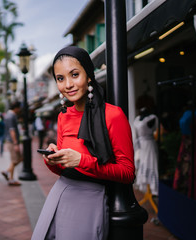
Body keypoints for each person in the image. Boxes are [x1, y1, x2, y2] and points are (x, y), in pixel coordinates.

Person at [32, 46, 135, 240]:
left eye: (74, 74)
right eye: (60, 78)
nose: (68, 84)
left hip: (90, 198)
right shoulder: (63, 116)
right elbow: (63, 170)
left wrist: (82, 160)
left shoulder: (113, 115)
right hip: (59, 192)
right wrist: (52, 160)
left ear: (88, 75)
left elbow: (128, 173)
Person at [133, 107, 159, 195]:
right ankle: (146, 186)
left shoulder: (152, 118)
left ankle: (153, 187)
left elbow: (155, 129)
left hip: (149, 144)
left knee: (151, 163)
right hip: (141, 146)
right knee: (143, 164)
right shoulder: (137, 119)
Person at [1, 101, 23, 186]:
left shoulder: (8, 115)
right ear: (16, 108)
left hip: (10, 141)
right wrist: (15, 143)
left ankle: (10, 178)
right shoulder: (11, 116)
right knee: (16, 160)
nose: (20, 109)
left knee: (16, 159)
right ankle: (8, 174)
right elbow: (12, 130)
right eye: (19, 108)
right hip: (11, 141)